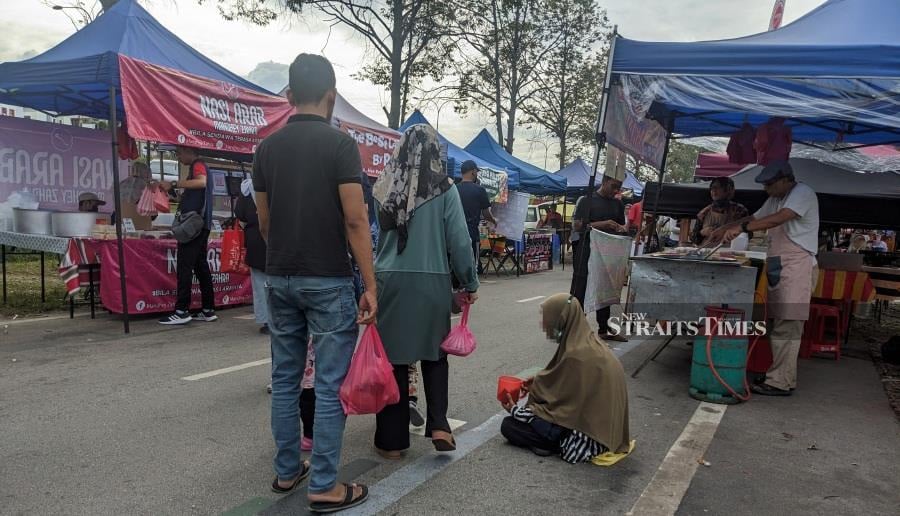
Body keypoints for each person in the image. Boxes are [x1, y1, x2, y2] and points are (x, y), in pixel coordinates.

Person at [253, 53, 375, 512]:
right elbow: (356, 220)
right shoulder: (340, 145)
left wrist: (285, 256)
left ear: (288, 96)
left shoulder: (266, 149)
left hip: (280, 277)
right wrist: (370, 284)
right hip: (327, 279)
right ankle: (324, 484)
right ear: (331, 95)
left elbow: (265, 222)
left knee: (285, 379)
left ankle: (288, 472)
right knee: (328, 385)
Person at [372, 124, 479, 460]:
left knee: (394, 361)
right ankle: (439, 426)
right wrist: (469, 282)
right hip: (432, 281)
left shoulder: (384, 186)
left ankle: (392, 442)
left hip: (389, 280)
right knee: (435, 356)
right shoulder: (445, 190)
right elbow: (460, 242)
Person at [718, 161, 819, 397]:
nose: (767, 189)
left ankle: (780, 382)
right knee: (777, 321)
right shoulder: (775, 198)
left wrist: (743, 229)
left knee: (789, 323)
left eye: (770, 185)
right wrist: (725, 227)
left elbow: (777, 219)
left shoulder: (802, 193)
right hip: (779, 263)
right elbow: (756, 216)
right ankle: (780, 373)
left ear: (786, 180)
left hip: (798, 265)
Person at [500, 293, 632, 463]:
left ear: (561, 319)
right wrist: (539, 384)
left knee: (510, 426)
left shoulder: (576, 355)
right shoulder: (589, 342)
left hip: (587, 440)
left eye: (547, 318)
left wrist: (515, 410)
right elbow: (564, 388)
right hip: (610, 433)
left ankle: (550, 445)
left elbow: (561, 407)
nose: (543, 324)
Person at [158, 146, 216, 325]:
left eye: (180, 153)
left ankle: (181, 310)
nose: (178, 156)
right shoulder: (199, 166)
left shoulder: (198, 165)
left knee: (184, 266)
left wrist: (174, 183)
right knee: (200, 266)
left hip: (193, 226)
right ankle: (208, 309)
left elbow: (201, 182)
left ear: (190, 152)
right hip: (201, 225)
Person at [570, 175, 628, 342]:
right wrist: (601, 224)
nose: (616, 191)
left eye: (619, 187)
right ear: (604, 182)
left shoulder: (617, 203)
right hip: (586, 250)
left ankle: (604, 328)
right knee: (580, 287)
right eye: (613, 186)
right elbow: (577, 226)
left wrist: (620, 228)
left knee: (605, 287)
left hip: (607, 252)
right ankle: (575, 328)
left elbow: (621, 226)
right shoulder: (586, 200)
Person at [234, 179, 269, 334]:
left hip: (255, 239)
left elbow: (240, 214)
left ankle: (267, 320)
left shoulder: (247, 188)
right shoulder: (280, 181)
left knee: (260, 284)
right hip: (279, 238)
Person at [456, 160, 497, 272]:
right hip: (472, 233)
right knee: (472, 264)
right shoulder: (480, 190)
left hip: (455, 233)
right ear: (473, 172)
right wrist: (493, 220)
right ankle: (470, 286)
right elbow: (486, 213)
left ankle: (458, 286)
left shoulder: (454, 189)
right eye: (476, 172)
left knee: (456, 263)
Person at [691, 177, 750, 247]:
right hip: (706, 252)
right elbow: (694, 239)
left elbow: (748, 235)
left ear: (728, 190)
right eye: (712, 188)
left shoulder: (739, 211)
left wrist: (731, 231)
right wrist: (702, 232)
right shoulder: (704, 213)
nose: (714, 191)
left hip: (730, 253)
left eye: (718, 187)